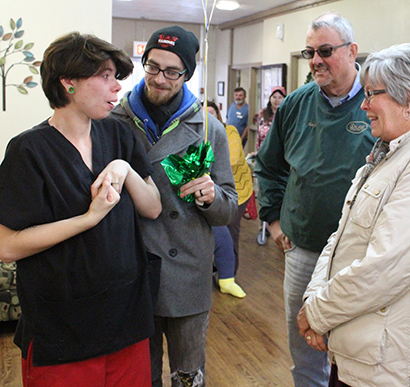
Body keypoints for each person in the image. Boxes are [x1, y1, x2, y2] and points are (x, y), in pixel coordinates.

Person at [297, 43, 410, 387]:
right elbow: (341, 236)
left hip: (393, 366)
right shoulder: (391, 153)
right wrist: (314, 299)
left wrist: (317, 313)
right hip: (358, 351)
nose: (363, 105)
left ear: (408, 99)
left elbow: (385, 268)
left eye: (371, 94)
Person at [0, 32, 161, 386]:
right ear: (68, 83)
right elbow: (7, 245)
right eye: (104, 76)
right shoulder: (28, 151)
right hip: (61, 329)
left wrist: (125, 168)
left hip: (127, 319)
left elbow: (152, 208)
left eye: (116, 77)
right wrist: (88, 219)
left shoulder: (119, 135)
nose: (116, 88)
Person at [111, 26, 238, 387]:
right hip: (131, 267)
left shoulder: (208, 128)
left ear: (186, 75)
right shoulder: (113, 123)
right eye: (152, 67)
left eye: (172, 71)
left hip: (187, 271)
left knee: (188, 375)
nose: (160, 78)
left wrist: (213, 197)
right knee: (138, 375)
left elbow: (229, 207)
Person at [255, 13, 375, 387]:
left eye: (325, 50)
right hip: (303, 247)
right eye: (310, 52)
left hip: (362, 253)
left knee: (356, 346)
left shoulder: (378, 101)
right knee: (305, 344)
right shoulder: (295, 104)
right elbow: (268, 167)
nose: (316, 60)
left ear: (352, 51)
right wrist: (273, 221)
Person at [206, 100, 253, 298]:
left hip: (237, 191)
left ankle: (228, 275)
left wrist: (201, 161)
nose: (208, 118)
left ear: (219, 115)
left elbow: (232, 157)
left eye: (212, 114)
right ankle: (212, 271)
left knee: (229, 233)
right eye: (204, 115)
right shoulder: (197, 133)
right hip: (210, 193)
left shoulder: (230, 131)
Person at [255, 86, 286, 152]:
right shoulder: (262, 113)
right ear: (270, 98)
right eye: (274, 97)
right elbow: (259, 134)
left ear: (284, 99)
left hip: (280, 152)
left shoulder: (287, 114)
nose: (277, 100)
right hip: (264, 150)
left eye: (280, 97)